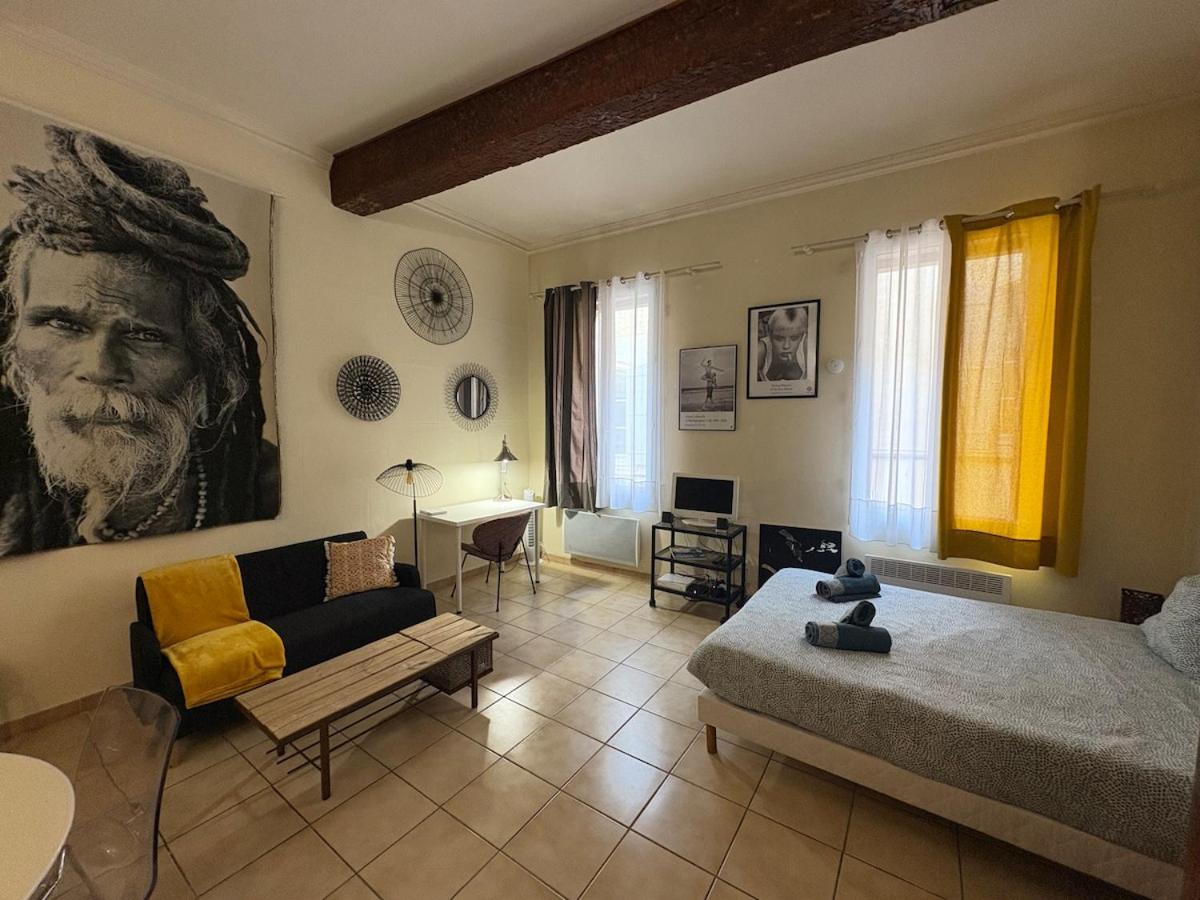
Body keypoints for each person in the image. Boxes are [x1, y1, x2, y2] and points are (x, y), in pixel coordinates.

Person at [0, 125, 279, 557]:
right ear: (14, 346)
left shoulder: (261, 481)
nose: (100, 368)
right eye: (61, 324)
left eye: (145, 335)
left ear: (203, 362)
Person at [757, 305, 808, 382]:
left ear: (802, 336)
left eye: (794, 338)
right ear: (770, 335)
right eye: (779, 338)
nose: (786, 346)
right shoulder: (761, 350)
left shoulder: (807, 346)